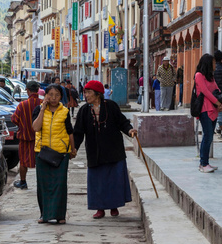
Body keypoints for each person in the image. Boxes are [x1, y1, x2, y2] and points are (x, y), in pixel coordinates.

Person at [73, 80, 138, 219]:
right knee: (97, 182)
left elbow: (122, 122)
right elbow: (78, 131)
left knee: (114, 180)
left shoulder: (111, 106)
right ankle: (100, 208)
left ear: (98, 94)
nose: (86, 95)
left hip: (113, 149)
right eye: (85, 92)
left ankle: (114, 206)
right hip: (94, 151)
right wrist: (74, 148)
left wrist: (129, 130)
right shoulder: (84, 110)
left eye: (89, 92)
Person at [32, 84, 76, 224]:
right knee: (43, 185)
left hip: (61, 153)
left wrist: (73, 149)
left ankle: (60, 215)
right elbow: (36, 128)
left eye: (56, 95)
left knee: (59, 184)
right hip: (42, 152)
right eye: (50, 95)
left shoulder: (64, 111)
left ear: (61, 97)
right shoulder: (39, 109)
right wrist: (42, 109)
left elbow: (70, 131)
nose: (53, 98)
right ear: (45, 96)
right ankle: (44, 214)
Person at [194, 53, 222, 173]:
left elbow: (216, 89)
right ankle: (203, 164)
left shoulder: (210, 77)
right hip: (204, 109)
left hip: (213, 109)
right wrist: (218, 103)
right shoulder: (199, 76)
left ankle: (206, 162)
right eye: (213, 63)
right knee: (207, 136)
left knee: (209, 136)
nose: (215, 65)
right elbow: (205, 91)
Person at [11, 80, 41, 189]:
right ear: (38, 90)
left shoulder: (22, 105)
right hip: (40, 138)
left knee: (23, 161)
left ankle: (23, 182)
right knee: (41, 161)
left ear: (27, 91)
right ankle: (42, 183)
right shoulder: (42, 104)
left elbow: (14, 119)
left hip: (25, 137)